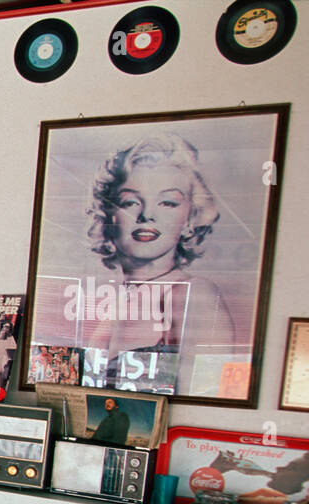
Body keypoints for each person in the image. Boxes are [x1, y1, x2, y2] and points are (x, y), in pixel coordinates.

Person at [82, 134, 238, 395]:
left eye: (167, 202)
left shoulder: (192, 294)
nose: (146, 215)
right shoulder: (117, 298)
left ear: (190, 218)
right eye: (130, 201)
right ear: (109, 215)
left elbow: (206, 401)